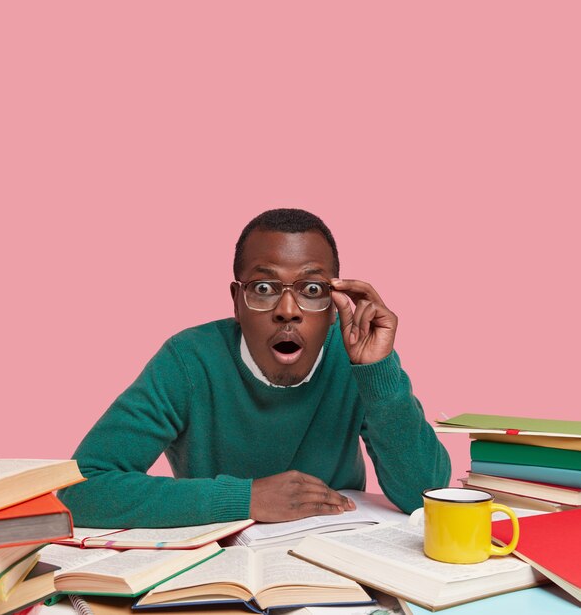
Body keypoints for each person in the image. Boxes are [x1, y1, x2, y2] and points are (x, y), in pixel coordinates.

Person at [59, 208, 450, 527]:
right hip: (219, 566)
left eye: (312, 290)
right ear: (237, 301)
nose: (287, 311)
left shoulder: (358, 358)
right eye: (264, 289)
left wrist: (377, 373)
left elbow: (426, 494)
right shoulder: (188, 360)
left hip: (339, 555)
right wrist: (244, 499)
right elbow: (81, 487)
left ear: (335, 304)